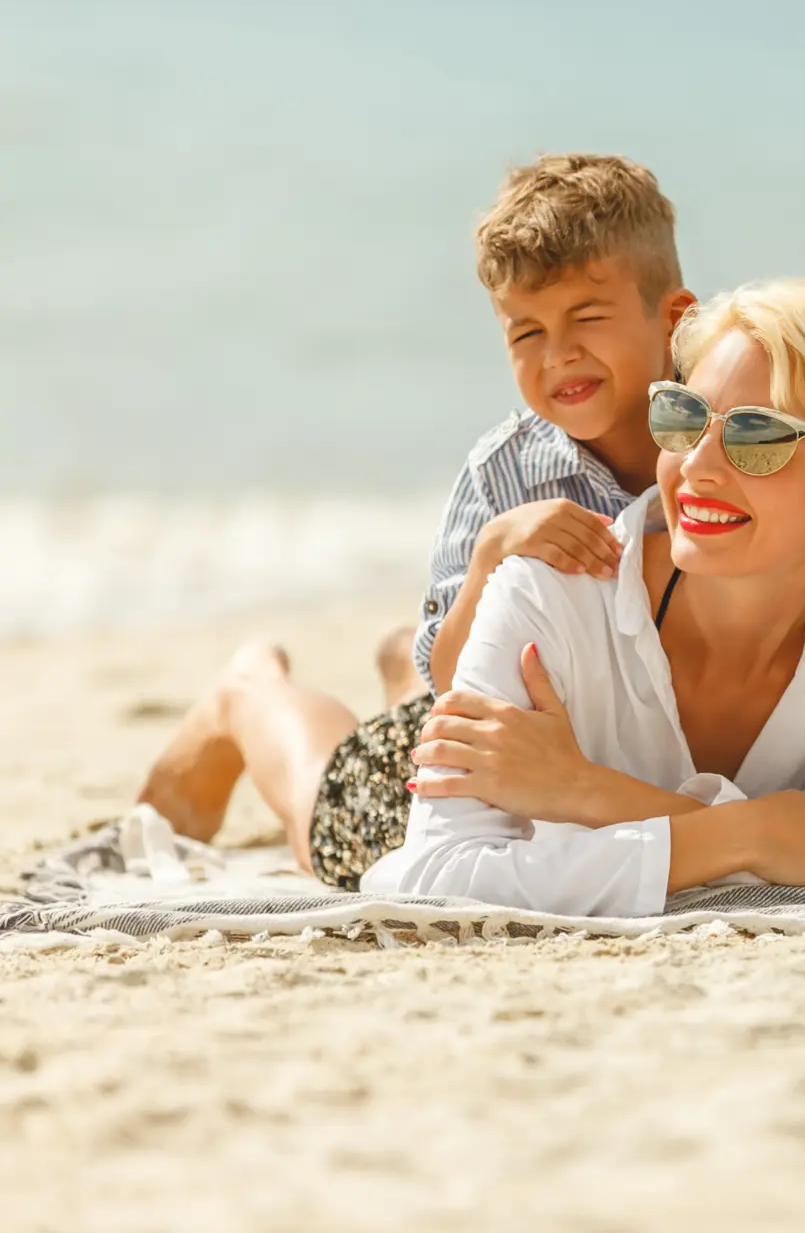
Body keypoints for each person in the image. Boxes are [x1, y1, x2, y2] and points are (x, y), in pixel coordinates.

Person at [136, 152, 696, 885]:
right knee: (336, 836)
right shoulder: (503, 471)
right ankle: (251, 695)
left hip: (620, 751)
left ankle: (395, 660)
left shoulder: (731, 432)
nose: (558, 356)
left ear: (674, 318)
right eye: (525, 334)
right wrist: (494, 552)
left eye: (587, 318)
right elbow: (453, 682)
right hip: (490, 732)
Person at [360, 279, 805, 914]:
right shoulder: (546, 595)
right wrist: (756, 837)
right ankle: (263, 689)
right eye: (684, 417)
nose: (697, 465)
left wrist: (585, 791)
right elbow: (438, 874)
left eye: (756, 437)